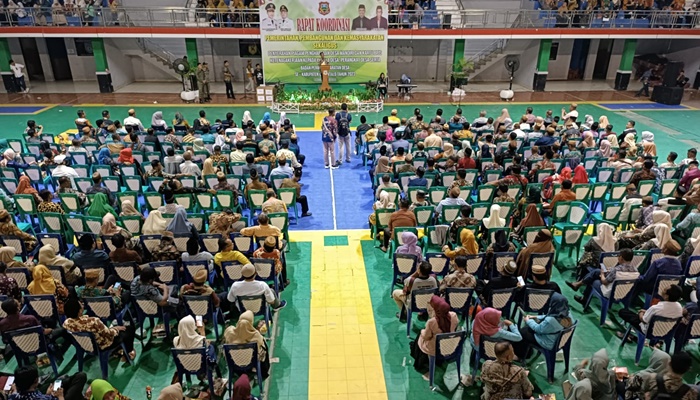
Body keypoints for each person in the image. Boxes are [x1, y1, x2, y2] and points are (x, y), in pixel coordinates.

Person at [63, 297, 136, 361]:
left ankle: (118, 351)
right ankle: (129, 353)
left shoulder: (66, 323)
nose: (82, 305)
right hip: (102, 345)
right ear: (79, 311)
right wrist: (116, 329)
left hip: (85, 346)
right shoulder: (94, 321)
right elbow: (109, 333)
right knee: (129, 329)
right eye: (81, 305)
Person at [513, 293, 573, 360]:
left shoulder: (551, 321)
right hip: (559, 340)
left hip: (549, 343)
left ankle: (521, 355)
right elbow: (550, 315)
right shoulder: (568, 315)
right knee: (527, 329)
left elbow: (538, 329)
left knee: (523, 332)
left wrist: (528, 320)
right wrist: (535, 316)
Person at [409, 295, 458, 377]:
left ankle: (420, 360)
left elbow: (426, 337)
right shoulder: (454, 315)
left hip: (434, 349)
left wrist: (422, 331)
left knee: (420, 335)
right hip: (449, 346)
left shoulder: (432, 322)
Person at [618, 284, 683, 336]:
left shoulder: (655, 308)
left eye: (665, 290)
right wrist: (646, 312)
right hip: (666, 331)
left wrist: (641, 312)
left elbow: (644, 320)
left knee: (623, 312)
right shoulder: (680, 307)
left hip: (649, 331)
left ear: (666, 296)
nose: (663, 290)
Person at [224, 311, 270, 382]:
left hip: (235, 361)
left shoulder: (229, 332)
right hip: (251, 361)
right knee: (264, 347)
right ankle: (264, 372)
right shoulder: (256, 335)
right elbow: (261, 347)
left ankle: (238, 372)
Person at [8, 365, 86, 400]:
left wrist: (47, 394)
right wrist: (60, 396)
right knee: (80, 376)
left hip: (46, 395)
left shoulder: (14, 396)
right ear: (36, 381)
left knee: (63, 380)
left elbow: (14, 394)